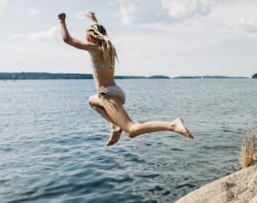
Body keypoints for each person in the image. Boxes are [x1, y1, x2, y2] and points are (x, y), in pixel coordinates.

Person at [58, 12, 193, 146]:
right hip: (116, 92)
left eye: (87, 35)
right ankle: (115, 126)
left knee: (131, 130)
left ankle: (171, 125)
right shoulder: (109, 48)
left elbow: (67, 39)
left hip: (108, 95)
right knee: (92, 101)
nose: (85, 38)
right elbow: (97, 28)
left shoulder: (94, 48)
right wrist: (92, 18)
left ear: (91, 36)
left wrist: (62, 21)